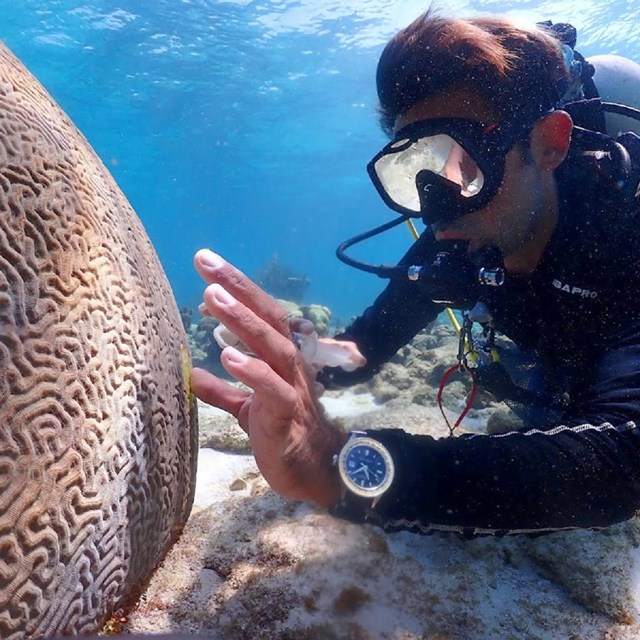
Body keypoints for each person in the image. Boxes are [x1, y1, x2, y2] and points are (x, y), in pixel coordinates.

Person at [191, 10, 640, 537]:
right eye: (415, 175)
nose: (435, 211)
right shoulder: (459, 237)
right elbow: (365, 344)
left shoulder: (626, 238)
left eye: (463, 166)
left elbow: (621, 463)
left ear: (549, 143)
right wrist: (308, 359)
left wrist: (341, 467)